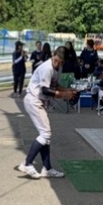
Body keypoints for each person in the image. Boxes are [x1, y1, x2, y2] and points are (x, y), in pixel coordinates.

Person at [18, 45, 77, 179]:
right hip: (34, 100)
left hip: (39, 101)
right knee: (45, 134)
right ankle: (27, 163)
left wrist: (67, 90)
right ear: (53, 56)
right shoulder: (47, 68)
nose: (58, 64)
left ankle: (47, 168)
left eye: (61, 62)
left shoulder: (57, 68)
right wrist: (64, 95)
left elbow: (54, 86)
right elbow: (45, 90)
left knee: (46, 137)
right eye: (56, 61)